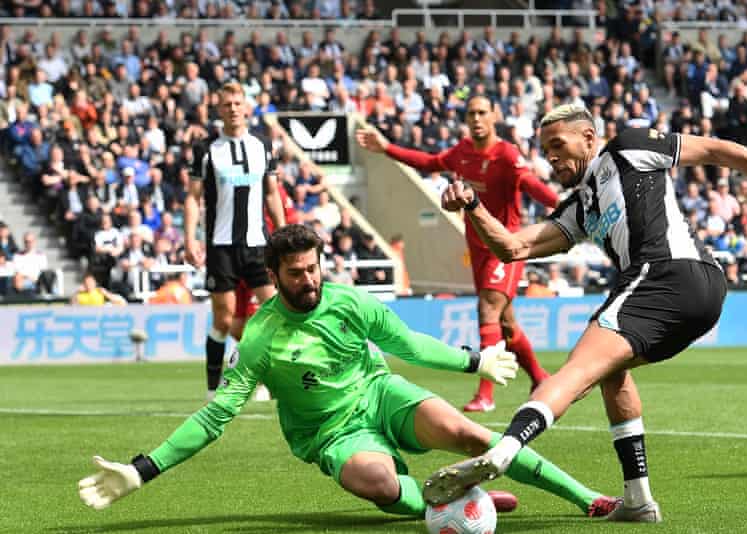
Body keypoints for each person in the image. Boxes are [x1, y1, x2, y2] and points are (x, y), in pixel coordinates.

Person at [423, 104, 747, 522]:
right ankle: (638, 499)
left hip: (667, 275)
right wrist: (474, 206)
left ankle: (503, 451)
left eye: (557, 145)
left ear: (588, 137)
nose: (549, 157)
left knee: (576, 370)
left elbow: (716, 150)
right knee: (609, 372)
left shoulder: (629, 148)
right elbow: (513, 247)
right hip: (698, 291)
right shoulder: (580, 206)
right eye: (543, 149)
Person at [77, 224, 620, 519]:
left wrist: (473, 360)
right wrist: (144, 468)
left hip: (380, 392)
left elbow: (405, 343)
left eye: (314, 268)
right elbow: (218, 414)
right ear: (273, 276)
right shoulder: (261, 336)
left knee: (472, 435)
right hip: (328, 432)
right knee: (381, 481)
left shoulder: (347, 300)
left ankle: (587, 499)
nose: (309, 281)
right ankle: (448, 501)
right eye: (296, 274)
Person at [356, 95, 557, 412]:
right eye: (470, 113)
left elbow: (532, 185)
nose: (476, 118)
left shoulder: (506, 154)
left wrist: (563, 207)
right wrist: (386, 148)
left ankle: (485, 394)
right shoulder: (462, 152)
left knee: (487, 310)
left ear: (494, 115)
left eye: (482, 112)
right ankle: (539, 377)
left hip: (504, 248)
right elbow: (429, 162)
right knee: (505, 324)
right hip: (477, 249)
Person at [184, 82, 286, 401]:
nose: (233, 109)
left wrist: (282, 234)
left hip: (258, 244)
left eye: (237, 103)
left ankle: (266, 381)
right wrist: (190, 238)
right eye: (226, 104)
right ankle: (214, 387)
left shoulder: (262, 145)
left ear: (246, 107)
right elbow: (193, 197)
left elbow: (272, 192)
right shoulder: (206, 150)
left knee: (275, 313)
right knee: (224, 318)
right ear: (219, 110)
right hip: (221, 244)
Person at [229, 179, 299, 401]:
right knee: (236, 326)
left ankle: (267, 382)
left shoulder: (274, 190)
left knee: (260, 321)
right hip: (234, 256)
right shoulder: (236, 182)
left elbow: (290, 222)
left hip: (260, 260)